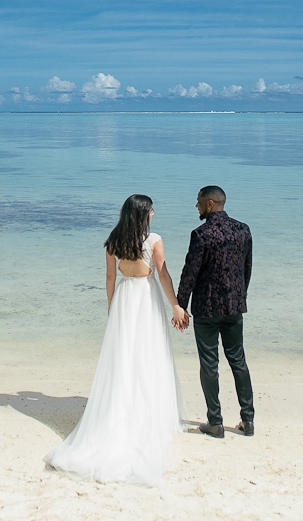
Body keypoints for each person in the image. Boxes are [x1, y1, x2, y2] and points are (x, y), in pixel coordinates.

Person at [45, 194, 188, 484]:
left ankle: (120, 412)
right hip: (145, 299)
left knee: (122, 359)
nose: (154, 213)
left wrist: (113, 310)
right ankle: (148, 416)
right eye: (151, 210)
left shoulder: (113, 241)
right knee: (149, 355)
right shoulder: (154, 240)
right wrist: (174, 303)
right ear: (144, 214)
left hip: (124, 299)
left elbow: (110, 278)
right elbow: (162, 274)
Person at [175, 185, 255, 438]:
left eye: (198, 201)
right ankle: (248, 420)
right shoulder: (243, 230)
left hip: (207, 309)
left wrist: (180, 305)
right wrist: (240, 296)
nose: (196, 206)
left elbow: (190, 272)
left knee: (210, 364)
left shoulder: (201, 234)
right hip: (234, 307)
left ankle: (215, 422)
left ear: (210, 204)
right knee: (238, 361)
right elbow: (247, 269)